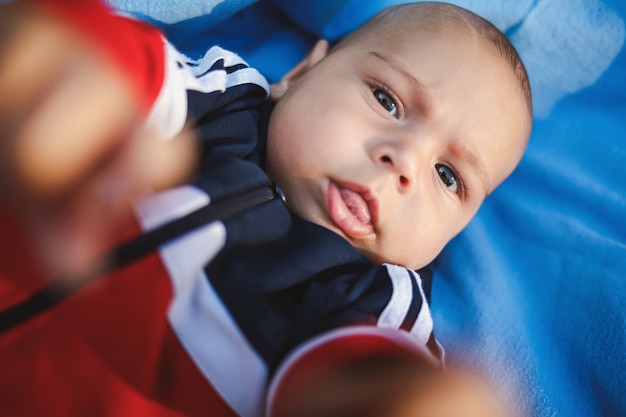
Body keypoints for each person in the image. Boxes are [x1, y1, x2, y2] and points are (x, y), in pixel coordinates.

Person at [0, 0, 531, 416]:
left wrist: (392, 400)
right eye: (386, 100)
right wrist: (69, 60)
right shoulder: (219, 103)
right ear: (300, 75)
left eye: (448, 176)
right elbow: (139, 69)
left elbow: (366, 375)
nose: (404, 163)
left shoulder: (374, 305)